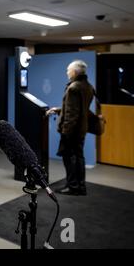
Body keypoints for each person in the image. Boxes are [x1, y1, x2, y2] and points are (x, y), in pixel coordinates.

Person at [46, 60, 94, 196]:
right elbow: (78, 109)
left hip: (72, 131)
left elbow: (72, 114)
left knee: (69, 158)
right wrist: (58, 110)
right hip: (81, 129)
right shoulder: (88, 87)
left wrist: (66, 132)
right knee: (79, 158)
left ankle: (72, 186)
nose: (67, 72)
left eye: (68, 70)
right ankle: (80, 186)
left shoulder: (73, 88)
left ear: (74, 72)